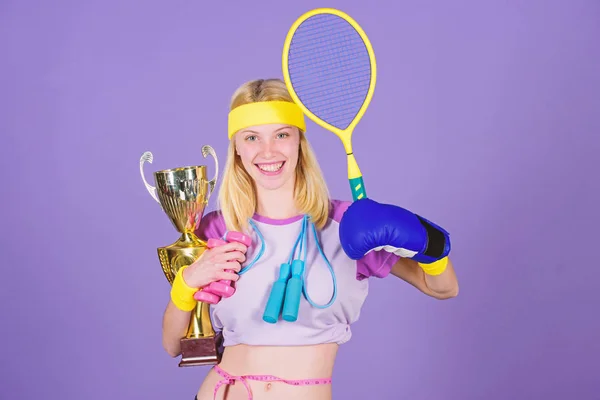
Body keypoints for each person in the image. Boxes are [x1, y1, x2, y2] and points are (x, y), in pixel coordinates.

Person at [161, 78, 459, 400]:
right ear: (236, 147)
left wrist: (429, 244)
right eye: (251, 137)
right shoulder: (216, 229)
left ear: (299, 142)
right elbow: (174, 346)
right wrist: (186, 285)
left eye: (282, 134)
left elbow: (443, 288)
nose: (268, 151)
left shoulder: (347, 226)